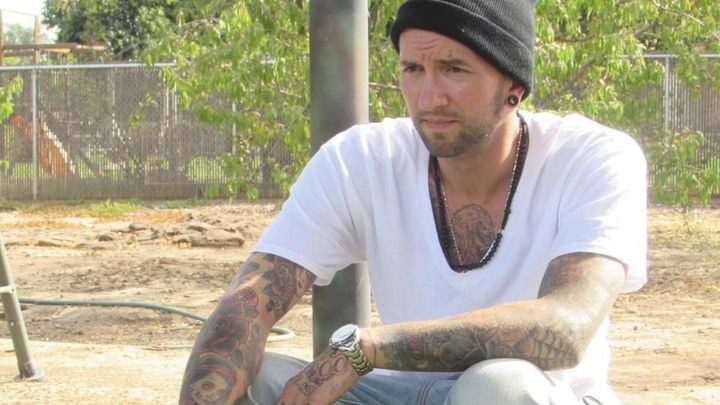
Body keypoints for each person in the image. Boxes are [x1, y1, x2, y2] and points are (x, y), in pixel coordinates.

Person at [178, 0, 648, 404]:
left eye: (454, 69)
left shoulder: (592, 158)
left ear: (513, 87)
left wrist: (368, 348)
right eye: (413, 69)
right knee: (252, 373)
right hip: (400, 392)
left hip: (542, 393)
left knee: (499, 385)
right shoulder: (360, 159)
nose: (429, 97)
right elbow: (248, 303)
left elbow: (567, 327)